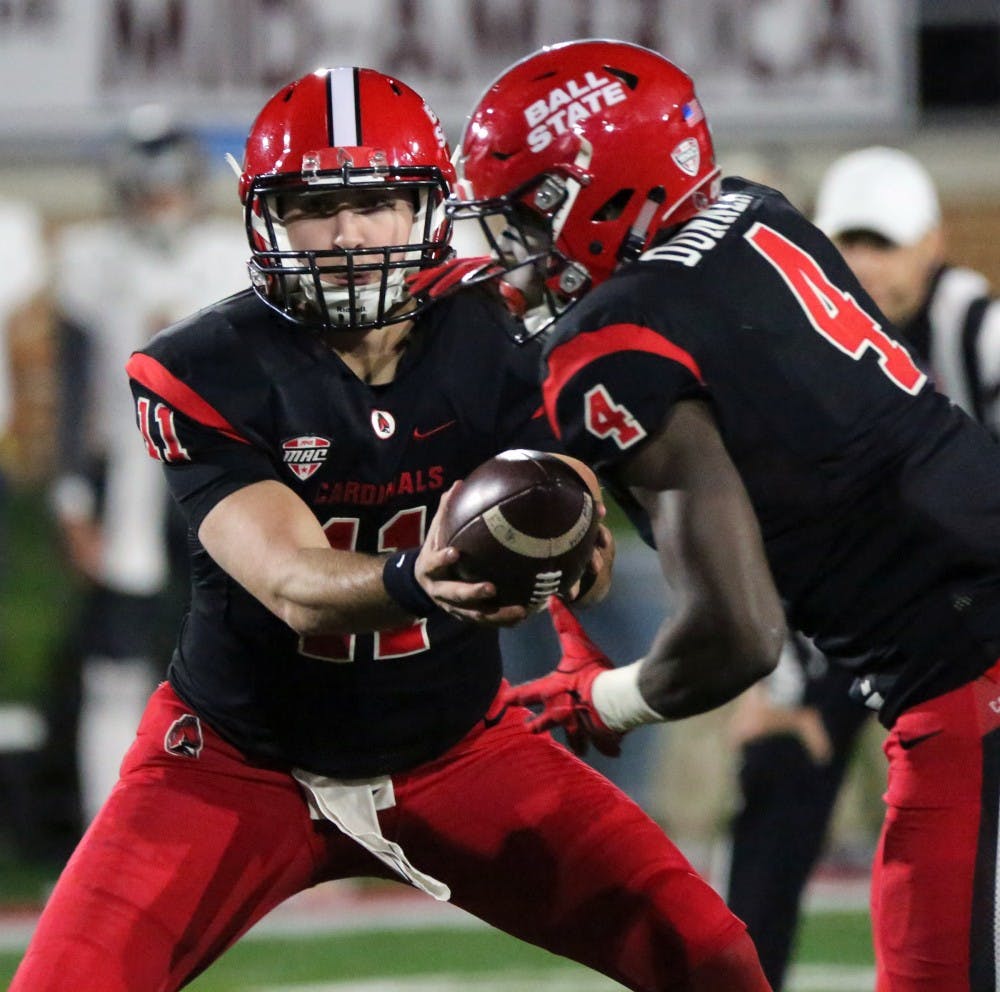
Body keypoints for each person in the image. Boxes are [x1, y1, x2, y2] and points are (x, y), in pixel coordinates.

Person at [10, 66, 773, 992]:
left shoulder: (499, 329)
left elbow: (561, 482)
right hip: (233, 765)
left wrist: (568, 526)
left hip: (456, 752)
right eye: (311, 207)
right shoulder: (203, 365)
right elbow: (293, 582)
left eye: (374, 201)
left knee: (711, 956)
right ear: (264, 221)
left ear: (428, 209)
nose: (345, 235)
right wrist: (422, 579)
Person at [448, 38, 1000, 991]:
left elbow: (738, 632)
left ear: (607, 192)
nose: (514, 248)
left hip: (966, 672)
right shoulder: (753, 209)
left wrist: (603, 698)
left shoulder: (612, 342)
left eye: (531, 212)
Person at [724, 144, 1000, 989]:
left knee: (969, 826)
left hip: (971, 614)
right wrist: (775, 688)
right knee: (777, 768)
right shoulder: (798, 344)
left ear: (933, 243)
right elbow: (770, 526)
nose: (868, 265)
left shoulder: (975, 327)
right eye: (852, 243)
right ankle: (743, 977)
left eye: (885, 242)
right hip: (848, 617)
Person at [47, 105, 248, 827]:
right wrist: (72, 503)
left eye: (169, 183)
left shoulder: (234, 256)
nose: (160, 198)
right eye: (146, 184)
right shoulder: (90, 258)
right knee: (114, 664)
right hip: (128, 481)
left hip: (226, 475)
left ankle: (261, 823)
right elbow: (73, 398)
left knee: (246, 651)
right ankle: (112, 826)